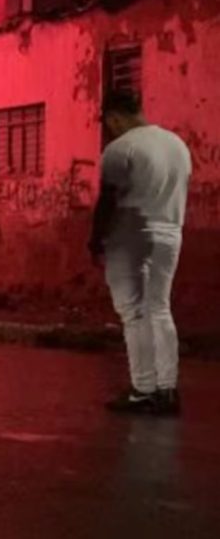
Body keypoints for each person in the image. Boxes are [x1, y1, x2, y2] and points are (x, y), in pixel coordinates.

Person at [90, 90, 192, 416]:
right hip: (170, 234)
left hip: (131, 238)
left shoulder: (120, 149)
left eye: (108, 122)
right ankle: (168, 388)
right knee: (159, 309)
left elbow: (107, 201)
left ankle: (143, 389)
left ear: (114, 116)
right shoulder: (178, 145)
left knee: (133, 314)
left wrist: (96, 240)